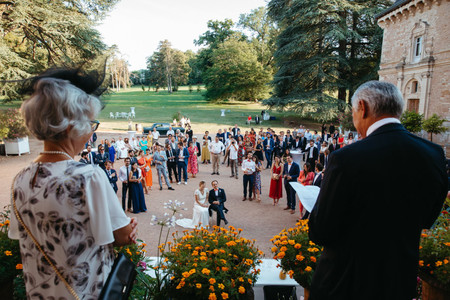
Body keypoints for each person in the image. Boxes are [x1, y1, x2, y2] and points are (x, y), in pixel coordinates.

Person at [308, 81, 447, 300]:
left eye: (353, 112)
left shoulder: (346, 159)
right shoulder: (434, 154)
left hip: (345, 284)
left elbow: (320, 231)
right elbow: (428, 218)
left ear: (362, 107)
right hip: (398, 282)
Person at [9, 69, 137, 298]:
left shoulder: (20, 179)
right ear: (71, 128)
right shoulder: (88, 176)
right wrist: (128, 230)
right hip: (85, 292)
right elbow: (122, 236)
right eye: (91, 124)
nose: (91, 131)